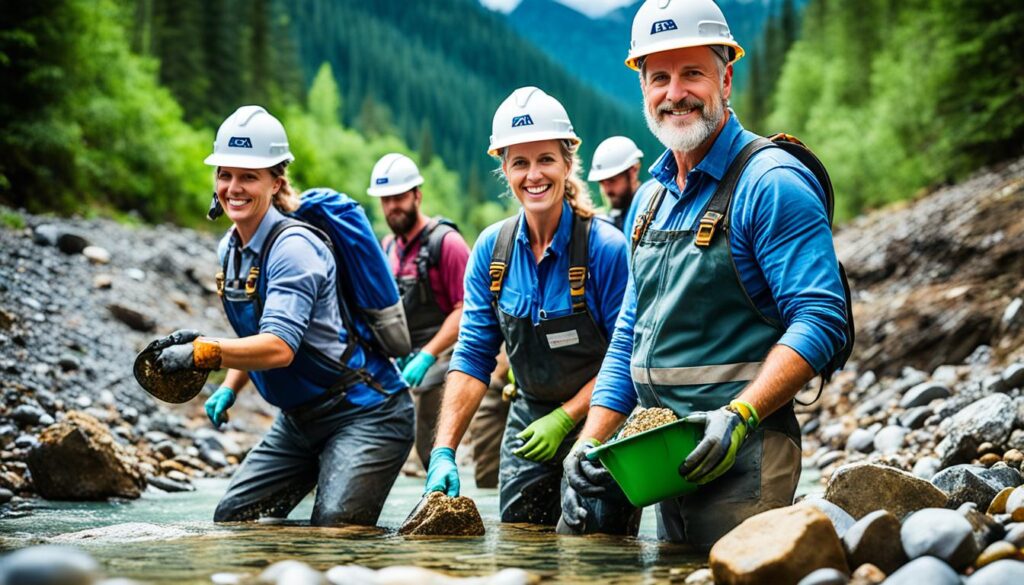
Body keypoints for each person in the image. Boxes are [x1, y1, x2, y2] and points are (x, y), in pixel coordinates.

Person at [565, 0, 849, 550]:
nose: (675, 94)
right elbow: (630, 336)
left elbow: (821, 316)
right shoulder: (649, 200)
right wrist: (589, 442)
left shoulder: (771, 182)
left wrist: (739, 415)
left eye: (692, 72)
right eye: (659, 78)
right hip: (657, 462)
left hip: (746, 454)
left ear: (726, 77)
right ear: (642, 87)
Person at [147, 105, 414, 526]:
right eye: (225, 174)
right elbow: (259, 329)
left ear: (276, 181)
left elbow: (279, 348)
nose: (233, 187)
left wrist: (203, 354)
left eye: (249, 176)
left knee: (336, 532)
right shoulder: (229, 249)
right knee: (235, 521)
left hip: (367, 413)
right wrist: (231, 387)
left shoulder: (294, 249)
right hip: (299, 420)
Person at [426, 87, 640, 534]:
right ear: (504, 169)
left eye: (545, 159)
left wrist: (567, 416)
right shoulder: (492, 249)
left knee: (597, 547)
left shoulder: (605, 248)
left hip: (604, 417)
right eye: (520, 162)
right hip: (529, 418)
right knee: (522, 542)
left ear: (567, 163)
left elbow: (629, 359)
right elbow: (471, 357)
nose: (534, 174)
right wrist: (443, 450)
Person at [369, 153, 471, 472]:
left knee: (430, 445)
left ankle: (446, 507)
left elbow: (467, 308)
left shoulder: (448, 243)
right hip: (402, 358)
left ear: (417, 195)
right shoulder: (387, 247)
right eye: (386, 200)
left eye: (399, 198)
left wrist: (427, 355)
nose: (392, 207)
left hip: (444, 358)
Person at [587, 136, 645, 232]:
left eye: (611, 181)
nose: (606, 190)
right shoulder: (608, 217)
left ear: (633, 171)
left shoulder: (650, 212)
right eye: (601, 182)